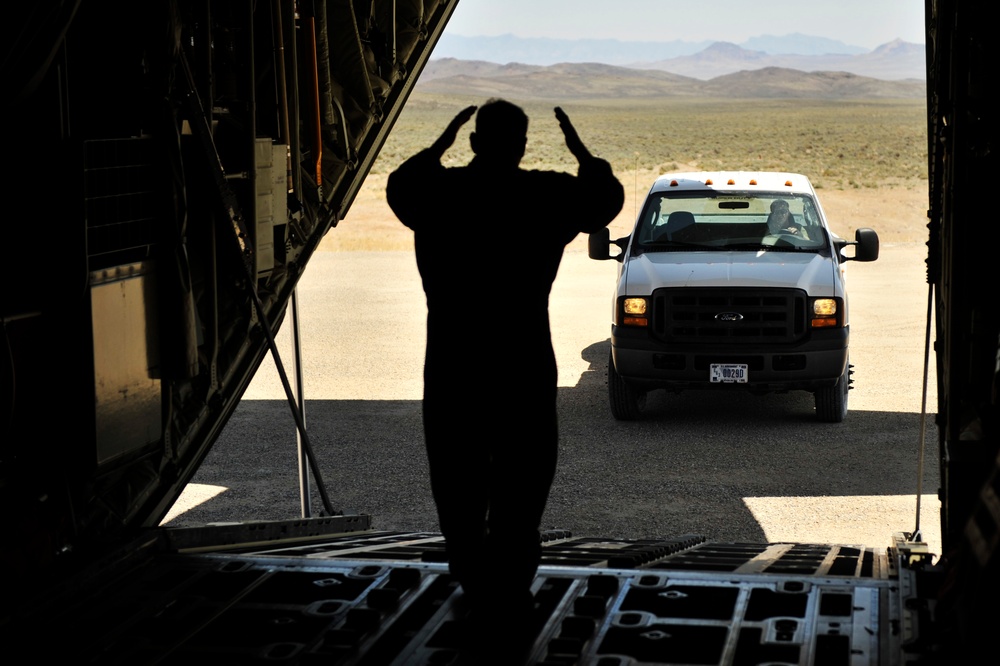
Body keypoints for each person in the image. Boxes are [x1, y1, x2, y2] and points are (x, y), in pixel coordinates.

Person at [386, 99, 624, 639]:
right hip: (522, 358)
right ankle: (513, 591)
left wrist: (436, 147)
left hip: (452, 359)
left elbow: (401, 186)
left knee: (455, 473)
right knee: (523, 475)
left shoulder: (439, 195)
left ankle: (473, 584)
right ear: (521, 145)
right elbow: (604, 201)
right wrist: (583, 154)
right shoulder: (544, 196)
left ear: (472, 143)